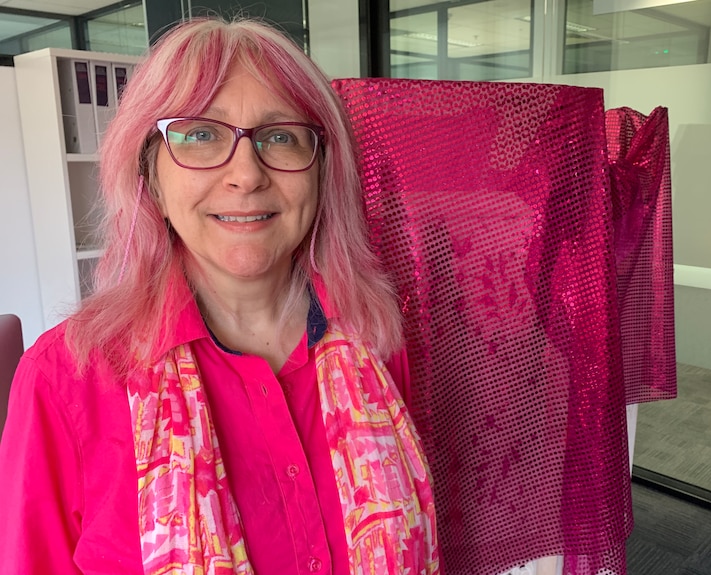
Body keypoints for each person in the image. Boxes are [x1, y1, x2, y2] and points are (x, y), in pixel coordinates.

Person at [0, 17, 439, 575]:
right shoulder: (66, 381)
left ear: (324, 171)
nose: (246, 174)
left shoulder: (375, 339)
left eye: (280, 135)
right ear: (149, 176)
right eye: (201, 135)